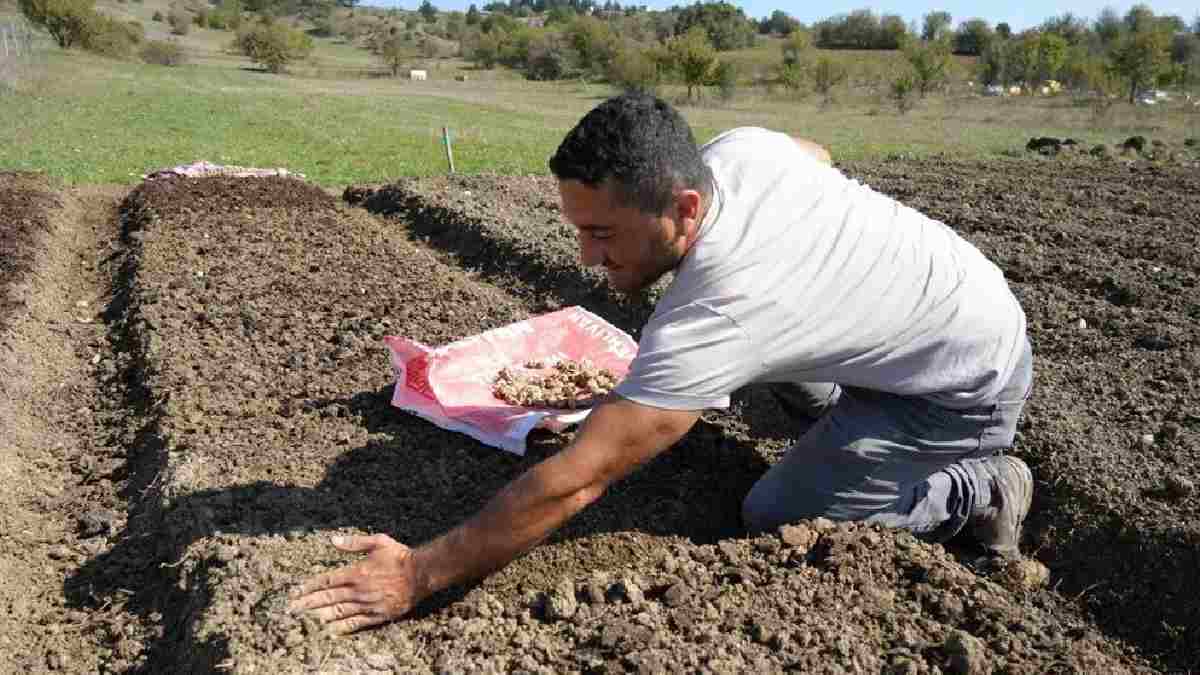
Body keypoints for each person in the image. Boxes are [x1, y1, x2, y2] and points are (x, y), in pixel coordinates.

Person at [289, 93, 1034, 634]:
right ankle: (841, 424)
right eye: (578, 229)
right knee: (755, 376)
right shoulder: (738, 153)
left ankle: (981, 488)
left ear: (682, 206)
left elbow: (579, 480)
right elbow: (814, 155)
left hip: (963, 384)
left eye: (604, 232)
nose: (586, 256)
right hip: (932, 314)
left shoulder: (721, 311)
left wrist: (419, 573)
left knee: (774, 513)